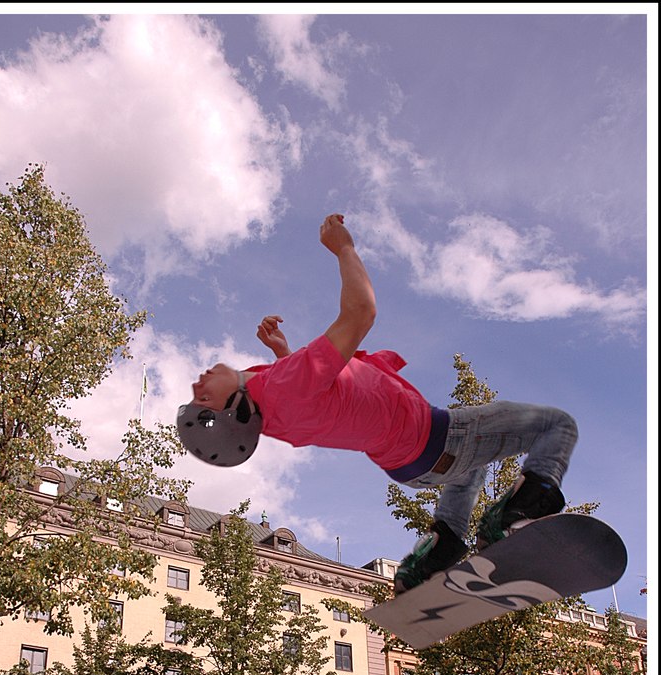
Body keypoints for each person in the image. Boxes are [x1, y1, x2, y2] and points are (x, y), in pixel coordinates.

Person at [177, 214, 578, 595]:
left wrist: (284, 352)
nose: (199, 382)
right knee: (556, 426)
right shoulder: (284, 386)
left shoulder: (275, 410)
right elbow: (361, 311)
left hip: (409, 467)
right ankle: (519, 513)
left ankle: (437, 554)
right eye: (204, 396)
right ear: (234, 410)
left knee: (467, 473)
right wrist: (344, 248)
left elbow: (314, 398)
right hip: (441, 438)